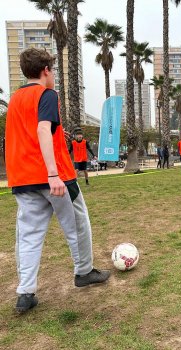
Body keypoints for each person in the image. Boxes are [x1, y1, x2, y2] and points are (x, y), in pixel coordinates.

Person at [5, 48, 110, 314]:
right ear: (46, 71)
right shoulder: (47, 94)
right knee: (78, 224)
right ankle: (83, 271)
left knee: (28, 237)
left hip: (22, 178)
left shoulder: (15, 99)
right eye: (52, 71)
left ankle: (25, 293)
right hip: (55, 176)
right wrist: (52, 173)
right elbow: (42, 129)